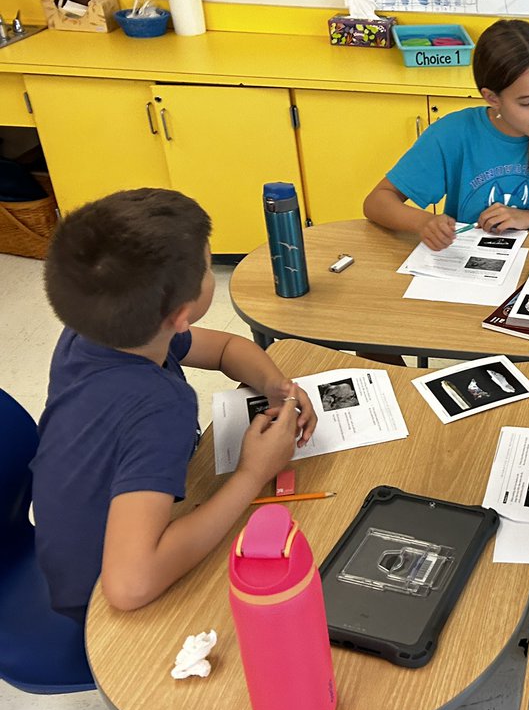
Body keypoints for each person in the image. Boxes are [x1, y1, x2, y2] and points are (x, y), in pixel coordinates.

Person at [31, 188, 318, 623]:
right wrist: (253, 473)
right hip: (96, 606)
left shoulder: (94, 332)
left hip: (89, 550)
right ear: (182, 314)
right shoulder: (160, 406)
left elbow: (224, 349)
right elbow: (129, 586)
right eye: (208, 266)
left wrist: (276, 385)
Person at [363, 19, 529, 249]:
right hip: (475, 271)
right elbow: (376, 202)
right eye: (526, 102)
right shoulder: (453, 134)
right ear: (492, 98)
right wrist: (424, 222)